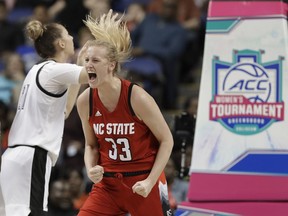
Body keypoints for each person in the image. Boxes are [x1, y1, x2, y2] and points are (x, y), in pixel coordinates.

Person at [77, 10, 174, 216]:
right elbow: (91, 144)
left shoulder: (137, 97)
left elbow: (167, 140)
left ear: (111, 65)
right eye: (86, 60)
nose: (88, 65)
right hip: (109, 186)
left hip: (144, 181)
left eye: (95, 61)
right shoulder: (85, 100)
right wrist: (90, 168)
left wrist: (150, 181)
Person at [0, 18, 88, 216]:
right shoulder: (53, 70)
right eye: (68, 34)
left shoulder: (38, 70)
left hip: (14, 157)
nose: (72, 36)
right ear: (61, 43)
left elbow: (65, 110)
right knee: (34, 213)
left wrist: (80, 64)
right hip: (32, 156)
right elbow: (95, 74)